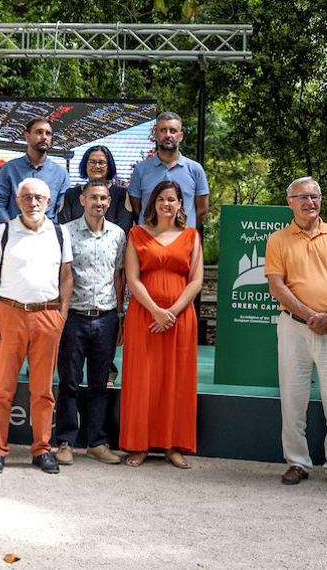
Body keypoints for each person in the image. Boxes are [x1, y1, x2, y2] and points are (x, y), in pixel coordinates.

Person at [264, 176, 327, 489]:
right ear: (290, 202)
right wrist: (310, 315)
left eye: (315, 195)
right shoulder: (278, 239)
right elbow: (277, 285)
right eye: (302, 196)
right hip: (294, 327)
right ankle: (297, 462)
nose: (309, 202)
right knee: (292, 396)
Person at [0, 178, 74, 475]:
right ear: (17, 201)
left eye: (38, 198)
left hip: (47, 317)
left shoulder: (60, 233)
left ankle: (42, 449)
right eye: (26, 197)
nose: (32, 202)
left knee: (43, 390)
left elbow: (67, 276)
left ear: (48, 202)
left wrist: (61, 314)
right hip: (9, 314)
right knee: (2, 389)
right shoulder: (3, 231)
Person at [121, 180, 201, 469]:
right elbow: (132, 278)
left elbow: (196, 280)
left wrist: (173, 312)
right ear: (153, 203)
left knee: (175, 380)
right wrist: (156, 311)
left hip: (180, 319)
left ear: (181, 204)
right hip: (144, 315)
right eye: (162, 199)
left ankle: (172, 445)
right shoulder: (137, 233)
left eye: (173, 199)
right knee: (143, 380)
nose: (167, 204)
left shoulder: (191, 235)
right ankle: (139, 444)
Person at [55, 180, 128, 466]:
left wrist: (120, 315)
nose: (99, 202)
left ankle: (97, 442)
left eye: (104, 198)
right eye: (93, 197)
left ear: (110, 202)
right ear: (82, 199)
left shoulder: (118, 235)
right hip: (73, 317)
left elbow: (119, 276)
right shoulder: (66, 232)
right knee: (69, 383)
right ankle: (64, 442)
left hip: (106, 318)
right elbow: (61, 275)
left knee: (100, 384)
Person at [127, 112, 210, 228]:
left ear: (180, 136)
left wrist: (184, 229)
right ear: (155, 134)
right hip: (148, 241)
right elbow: (136, 209)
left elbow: (202, 211)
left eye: (173, 131)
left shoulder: (195, 170)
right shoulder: (140, 170)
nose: (168, 135)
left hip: (183, 242)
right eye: (163, 130)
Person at [0, 117, 70, 223]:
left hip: (48, 235)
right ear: (27, 136)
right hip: (15, 235)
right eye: (39, 132)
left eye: (48, 133)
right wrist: (11, 229)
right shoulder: (9, 169)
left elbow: (62, 210)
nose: (44, 137)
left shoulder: (61, 173)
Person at [56, 145, 134, 233]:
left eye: (101, 162)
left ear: (109, 167)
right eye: (92, 162)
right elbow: (64, 229)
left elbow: (123, 232)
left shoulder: (121, 195)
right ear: (85, 165)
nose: (97, 166)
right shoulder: (71, 195)